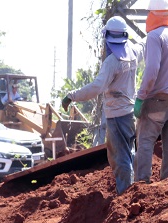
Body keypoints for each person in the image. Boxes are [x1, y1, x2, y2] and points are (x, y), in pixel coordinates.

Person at [61, 16, 143, 195]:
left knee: (120, 157)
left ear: (107, 38)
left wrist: (71, 96)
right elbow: (145, 44)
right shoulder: (134, 52)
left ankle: (124, 193)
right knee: (130, 152)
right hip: (130, 113)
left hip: (116, 115)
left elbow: (96, 87)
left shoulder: (112, 62)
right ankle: (134, 189)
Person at [133, 0, 168, 184]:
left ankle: (142, 183)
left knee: (145, 141)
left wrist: (140, 97)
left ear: (152, 14)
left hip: (157, 99)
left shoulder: (154, 37)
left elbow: (152, 70)